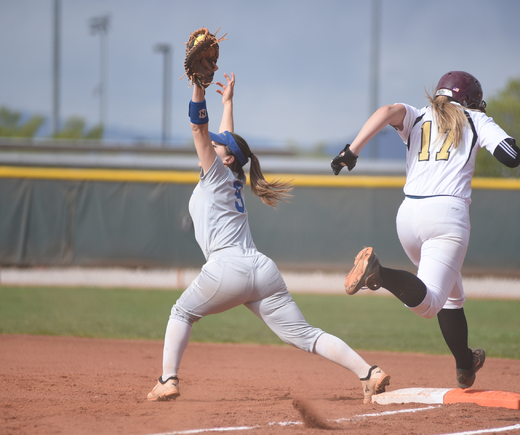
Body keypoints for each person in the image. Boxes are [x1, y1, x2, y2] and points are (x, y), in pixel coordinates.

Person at [147, 72, 390, 404]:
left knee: (181, 312)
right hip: (262, 270)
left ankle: (168, 379)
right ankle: (369, 372)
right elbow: (224, 140)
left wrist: (198, 87)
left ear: (227, 158)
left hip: (226, 268)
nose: (212, 144)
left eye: (218, 145)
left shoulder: (216, 172)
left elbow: (198, 128)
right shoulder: (230, 173)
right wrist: (228, 102)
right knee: (306, 335)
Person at [331, 71, 520, 389]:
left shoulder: (419, 115)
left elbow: (385, 112)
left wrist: (352, 151)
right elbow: (512, 158)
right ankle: (379, 273)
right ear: (471, 100)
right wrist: (494, 133)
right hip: (447, 216)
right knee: (431, 303)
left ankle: (465, 364)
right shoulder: (475, 119)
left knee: (452, 295)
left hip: (408, 216)